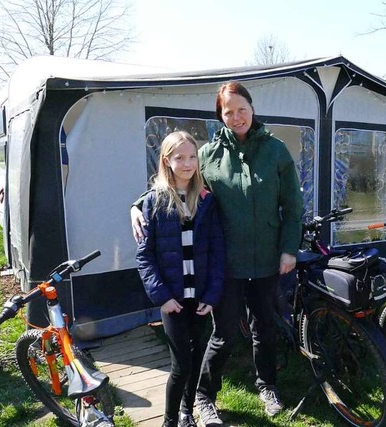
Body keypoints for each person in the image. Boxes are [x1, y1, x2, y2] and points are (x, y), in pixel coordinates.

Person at [132, 81, 303, 425]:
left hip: (269, 259)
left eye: (242, 109)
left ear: (252, 109)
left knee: (265, 327)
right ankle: (204, 395)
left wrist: (288, 250)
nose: (237, 116)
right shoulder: (207, 154)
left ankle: (267, 385)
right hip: (225, 264)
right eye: (229, 112)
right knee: (223, 334)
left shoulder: (276, 151)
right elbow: (178, 186)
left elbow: (293, 206)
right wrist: (137, 205)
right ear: (220, 116)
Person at [136, 131, 225, 427]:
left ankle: (188, 411)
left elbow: (216, 252)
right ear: (166, 161)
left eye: (192, 156)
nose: (187, 163)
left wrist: (211, 296)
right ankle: (170, 418)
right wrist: (162, 296)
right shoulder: (154, 202)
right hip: (172, 300)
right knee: (180, 365)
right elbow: (145, 257)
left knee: (198, 357)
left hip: (200, 300)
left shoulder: (206, 200)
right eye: (179, 157)